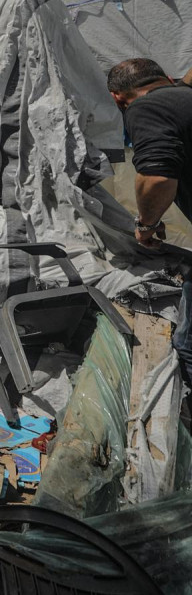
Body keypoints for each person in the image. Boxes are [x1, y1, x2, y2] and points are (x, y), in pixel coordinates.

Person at [107, 57, 192, 382]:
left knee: (187, 346)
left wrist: (147, 224)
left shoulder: (147, 108)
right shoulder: (183, 96)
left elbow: (156, 177)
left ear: (117, 98)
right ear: (165, 77)